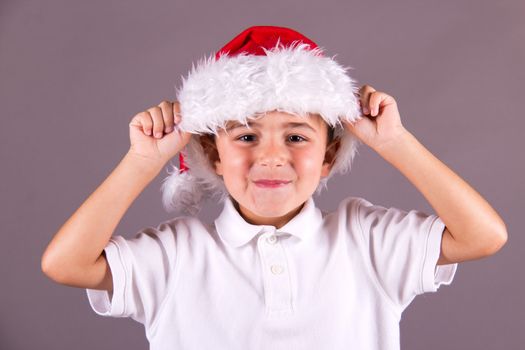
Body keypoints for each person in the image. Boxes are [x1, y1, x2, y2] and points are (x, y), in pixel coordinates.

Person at [41, 26, 508, 350]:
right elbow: (65, 264)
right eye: (245, 136)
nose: (271, 156)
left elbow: (484, 236)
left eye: (297, 136)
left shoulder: (365, 239)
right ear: (214, 155)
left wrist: (397, 142)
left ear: (327, 157)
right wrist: (142, 161)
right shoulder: (177, 254)